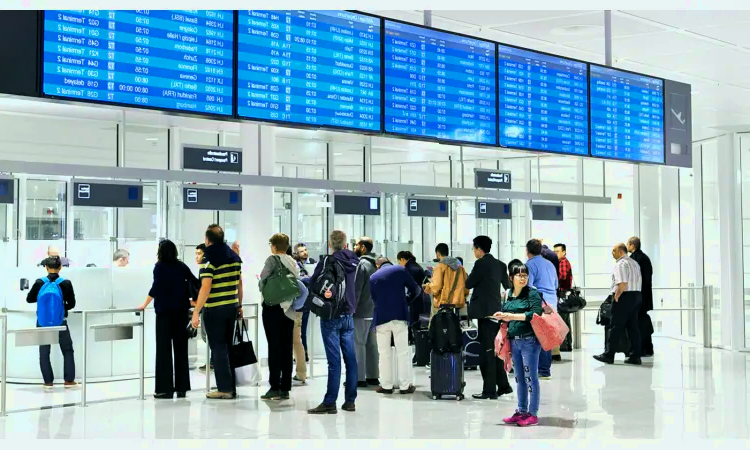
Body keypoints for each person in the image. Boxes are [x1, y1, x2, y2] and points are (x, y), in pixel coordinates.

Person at [308, 230, 359, 415]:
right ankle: (350, 401)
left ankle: (330, 402)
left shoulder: (328, 261)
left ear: (330, 244)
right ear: (345, 244)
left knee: (334, 361)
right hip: (349, 315)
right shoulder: (355, 261)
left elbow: (314, 283)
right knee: (351, 359)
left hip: (331, 315)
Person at [138, 239, 197, 399]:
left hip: (164, 313)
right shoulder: (181, 266)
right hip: (181, 312)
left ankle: (165, 389)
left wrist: (144, 304)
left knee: (163, 350)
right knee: (181, 350)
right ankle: (182, 388)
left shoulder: (159, 267)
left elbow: (155, 287)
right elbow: (194, 281)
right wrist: (192, 300)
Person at [191, 224, 243, 399]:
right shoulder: (234, 256)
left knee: (218, 347)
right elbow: (239, 283)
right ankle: (231, 386)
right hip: (232, 306)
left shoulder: (208, 259)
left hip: (215, 309)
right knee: (228, 346)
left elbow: (205, 288)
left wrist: (196, 311)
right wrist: (240, 305)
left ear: (207, 240)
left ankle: (224, 389)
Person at [495, 261, 544, 428]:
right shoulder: (508, 293)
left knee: (531, 378)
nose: (523, 278)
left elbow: (536, 313)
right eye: (519, 275)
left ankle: (533, 414)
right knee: (519, 378)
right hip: (514, 340)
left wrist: (512, 316)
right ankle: (521, 411)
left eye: (525, 275)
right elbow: (507, 313)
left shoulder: (532, 293)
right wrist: (502, 316)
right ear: (511, 277)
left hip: (529, 340)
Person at [465, 236, 512, 400]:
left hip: (484, 314)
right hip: (497, 313)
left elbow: (468, 283)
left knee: (487, 352)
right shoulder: (500, 265)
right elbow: (508, 287)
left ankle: (489, 390)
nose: (474, 252)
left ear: (479, 249)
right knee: (496, 350)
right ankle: (504, 386)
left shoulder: (480, 264)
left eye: (474, 249)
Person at [370, 258, 421, 395]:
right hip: (400, 316)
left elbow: (374, 299)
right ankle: (405, 386)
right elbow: (416, 289)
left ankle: (386, 385)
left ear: (378, 266)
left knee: (384, 353)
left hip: (381, 318)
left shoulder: (373, 277)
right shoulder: (400, 270)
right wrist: (407, 302)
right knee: (403, 352)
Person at [258, 233, 299, 400]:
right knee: (287, 347)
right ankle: (285, 387)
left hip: (273, 307)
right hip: (289, 309)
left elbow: (262, 280)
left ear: (273, 246)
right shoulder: (293, 262)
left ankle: (274, 386)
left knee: (274, 347)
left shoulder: (272, 260)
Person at [26, 256, 77, 389]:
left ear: (47, 268)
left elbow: (29, 299)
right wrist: (62, 307)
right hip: (60, 322)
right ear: (60, 267)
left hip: (42, 322)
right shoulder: (65, 282)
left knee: (44, 352)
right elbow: (72, 304)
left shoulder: (39, 282)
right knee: (67, 350)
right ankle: (69, 381)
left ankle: (48, 382)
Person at [594, 243, 643, 365]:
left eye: (614, 250)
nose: (612, 253)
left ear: (621, 252)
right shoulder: (634, 263)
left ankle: (609, 355)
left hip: (624, 296)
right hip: (637, 296)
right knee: (634, 328)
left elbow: (622, 283)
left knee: (615, 326)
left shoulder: (620, 264)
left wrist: (616, 296)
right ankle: (635, 356)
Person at [525, 239, 558, 379]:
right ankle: (544, 369)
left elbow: (529, 287)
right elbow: (556, 284)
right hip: (552, 303)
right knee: (546, 336)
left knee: (537, 337)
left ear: (527, 251)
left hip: (539, 303)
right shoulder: (550, 264)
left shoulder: (530, 265)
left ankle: (542, 370)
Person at [353, 237, 379, 388]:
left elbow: (356, 290)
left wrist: (351, 308)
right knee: (372, 345)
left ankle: (359, 378)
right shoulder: (377, 264)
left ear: (362, 247)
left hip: (361, 311)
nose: (355, 247)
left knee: (358, 344)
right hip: (374, 311)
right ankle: (373, 376)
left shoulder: (361, 265)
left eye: (356, 244)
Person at [424, 243, 469, 315]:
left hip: (444, 302)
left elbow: (436, 286)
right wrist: (462, 296)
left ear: (438, 253)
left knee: (439, 322)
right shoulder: (460, 268)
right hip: (458, 301)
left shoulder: (440, 267)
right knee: (454, 323)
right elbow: (466, 285)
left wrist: (428, 286)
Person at [628, 237, 654, 357]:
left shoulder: (633, 260)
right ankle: (647, 348)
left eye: (628, 244)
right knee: (643, 321)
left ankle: (640, 348)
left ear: (632, 246)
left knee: (637, 323)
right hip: (646, 296)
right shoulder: (645, 258)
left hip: (638, 297)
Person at [286, 246, 307, 386]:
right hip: (294, 310)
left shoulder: (289, 266)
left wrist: (296, 306)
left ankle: (299, 373)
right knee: (296, 341)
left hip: (290, 310)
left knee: (293, 341)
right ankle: (301, 373)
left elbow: (303, 290)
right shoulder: (294, 265)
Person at [396, 251, 428, 344]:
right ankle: (417, 343)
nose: (400, 265)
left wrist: (406, 300)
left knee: (412, 322)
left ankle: (412, 341)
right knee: (418, 323)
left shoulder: (408, 269)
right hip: (422, 298)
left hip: (413, 300)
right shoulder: (417, 266)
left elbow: (410, 287)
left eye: (399, 262)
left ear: (402, 259)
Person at [293, 243, 313, 363]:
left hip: (305, 303)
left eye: (305, 250)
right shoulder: (297, 265)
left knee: (302, 331)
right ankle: (301, 355)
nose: (305, 253)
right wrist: (311, 278)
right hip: (299, 303)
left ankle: (303, 354)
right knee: (299, 332)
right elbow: (300, 280)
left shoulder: (308, 264)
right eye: (301, 251)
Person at [554, 243, 574, 352]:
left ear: (564, 252)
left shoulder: (563, 262)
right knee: (565, 320)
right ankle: (567, 344)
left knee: (562, 320)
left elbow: (562, 276)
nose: (555, 253)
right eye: (554, 251)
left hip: (562, 294)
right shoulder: (560, 262)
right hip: (564, 294)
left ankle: (565, 345)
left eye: (557, 251)